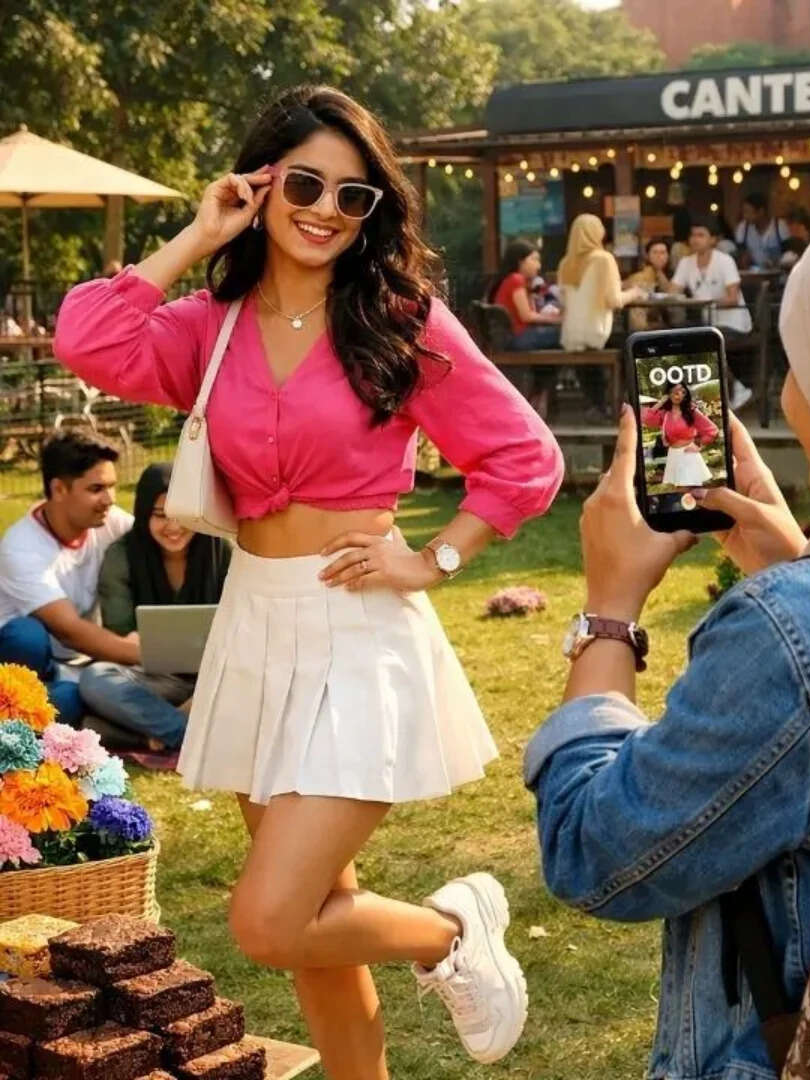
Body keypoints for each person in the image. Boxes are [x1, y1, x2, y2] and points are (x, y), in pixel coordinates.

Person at [54, 84, 563, 1071]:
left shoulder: (397, 318)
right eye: (305, 183)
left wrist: (434, 556)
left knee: (271, 920)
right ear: (261, 182)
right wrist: (197, 237)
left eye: (354, 195)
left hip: (359, 627)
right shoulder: (210, 324)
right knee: (319, 930)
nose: (327, 209)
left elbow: (524, 458)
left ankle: (453, 932)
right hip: (255, 627)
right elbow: (90, 339)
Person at [524, 177, 810, 1079]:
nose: (792, 393)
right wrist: (802, 569)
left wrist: (608, 612)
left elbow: (596, 851)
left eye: (807, 358)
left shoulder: (792, 636)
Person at [77, 462, 231, 753]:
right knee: (95, 679)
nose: (173, 528)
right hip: (153, 680)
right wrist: (132, 642)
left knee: (93, 726)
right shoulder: (122, 556)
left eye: (181, 516)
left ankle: (145, 733)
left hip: (219, 677)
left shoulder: (218, 549)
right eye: (160, 516)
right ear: (144, 512)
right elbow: (120, 632)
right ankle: (192, 735)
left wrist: (204, 690)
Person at [0, 431, 136, 725]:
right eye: (96, 488)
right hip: (24, 661)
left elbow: (156, 548)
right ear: (59, 489)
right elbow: (69, 630)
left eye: (112, 487)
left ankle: (37, 714)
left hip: (81, 662)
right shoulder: (21, 546)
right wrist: (149, 655)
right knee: (27, 636)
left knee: (75, 698)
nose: (109, 499)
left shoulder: (111, 522)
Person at [556, 213, 645, 422]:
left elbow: (565, 300)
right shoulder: (604, 259)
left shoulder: (565, 263)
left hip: (571, 335)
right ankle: (626, 403)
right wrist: (635, 293)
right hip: (597, 332)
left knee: (594, 357)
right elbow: (613, 300)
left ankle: (596, 404)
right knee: (635, 342)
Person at [672, 216, 755, 412]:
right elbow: (673, 292)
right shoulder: (686, 262)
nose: (695, 239)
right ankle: (707, 395)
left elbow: (733, 298)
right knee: (680, 339)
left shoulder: (725, 261)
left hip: (733, 322)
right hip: (707, 324)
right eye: (693, 235)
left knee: (702, 342)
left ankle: (734, 389)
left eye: (701, 235)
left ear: (713, 240)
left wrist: (706, 302)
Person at [641, 380, 719, 488]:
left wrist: (698, 444)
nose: (679, 395)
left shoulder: (691, 411)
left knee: (692, 490)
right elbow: (645, 419)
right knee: (678, 491)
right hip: (673, 455)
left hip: (688, 455)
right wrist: (660, 402)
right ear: (668, 394)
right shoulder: (665, 414)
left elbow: (712, 430)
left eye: (683, 392)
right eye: (675, 392)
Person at [489, 241, 562, 354]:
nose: (538, 265)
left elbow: (531, 313)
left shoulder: (516, 280)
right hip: (519, 337)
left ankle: (544, 371)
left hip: (517, 336)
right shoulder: (516, 280)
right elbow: (526, 316)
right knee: (565, 334)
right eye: (534, 259)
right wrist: (558, 320)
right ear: (520, 261)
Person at [623, 237, 684, 330]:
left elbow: (671, 294)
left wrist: (659, 273)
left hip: (670, 321)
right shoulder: (640, 274)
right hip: (644, 323)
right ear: (647, 255)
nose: (659, 256)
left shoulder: (675, 274)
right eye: (655, 252)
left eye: (663, 252)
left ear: (668, 255)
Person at [733, 193, 789, 272]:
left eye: (748, 212)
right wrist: (743, 259)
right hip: (755, 275)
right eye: (744, 212)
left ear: (761, 211)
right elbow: (740, 253)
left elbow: (789, 254)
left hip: (778, 275)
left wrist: (776, 262)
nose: (745, 216)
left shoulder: (779, 226)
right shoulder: (743, 228)